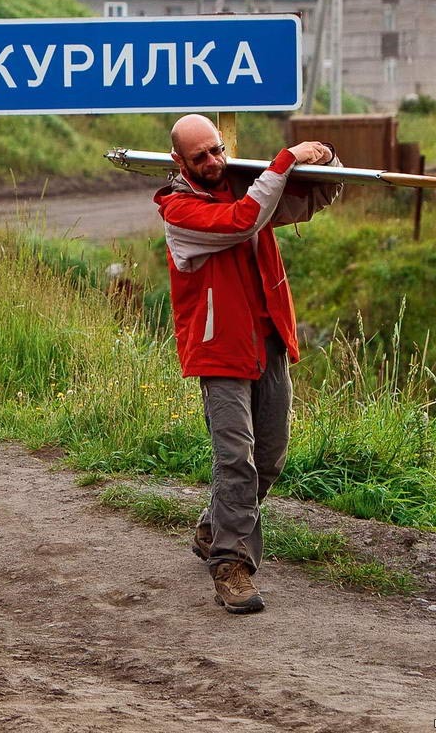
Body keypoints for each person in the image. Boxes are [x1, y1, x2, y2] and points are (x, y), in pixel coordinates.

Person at [154, 114, 342, 615]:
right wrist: (285, 160)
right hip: (219, 350)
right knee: (236, 460)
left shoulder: (242, 185)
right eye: (201, 157)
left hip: (268, 341)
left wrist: (324, 158)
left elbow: (308, 198)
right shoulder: (178, 212)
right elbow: (244, 221)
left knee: (271, 456)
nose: (214, 162)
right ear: (180, 162)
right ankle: (231, 566)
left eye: (217, 150)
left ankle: (214, 527)